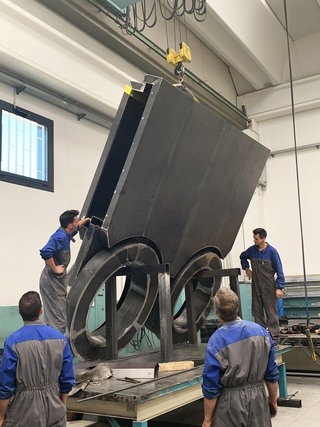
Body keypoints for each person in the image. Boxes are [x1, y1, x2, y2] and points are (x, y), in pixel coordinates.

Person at [202, 288, 279, 427]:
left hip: (230, 405)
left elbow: (211, 385)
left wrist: (207, 419)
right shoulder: (261, 332)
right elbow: (271, 373)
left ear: (216, 312)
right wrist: (273, 400)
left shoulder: (216, 341)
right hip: (258, 399)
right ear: (237, 308)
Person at [0, 291, 75, 427]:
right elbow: (67, 379)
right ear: (41, 311)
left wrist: (1, 416)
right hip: (55, 408)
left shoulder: (13, 341)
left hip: (24, 411)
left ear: (20, 313)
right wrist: (61, 406)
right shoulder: (60, 338)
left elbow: (6, 385)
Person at [39, 209, 90, 334]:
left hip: (54, 281)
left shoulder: (65, 233)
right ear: (70, 225)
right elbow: (45, 252)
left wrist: (87, 220)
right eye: (76, 221)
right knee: (58, 321)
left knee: (53, 318)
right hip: (52, 281)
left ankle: (52, 346)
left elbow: (76, 228)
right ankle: (56, 350)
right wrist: (55, 268)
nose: (78, 223)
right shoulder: (61, 237)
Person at [240, 227, 285, 346]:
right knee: (257, 311)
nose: (254, 240)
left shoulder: (272, 252)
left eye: (256, 238)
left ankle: (275, 340)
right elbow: (242, 256)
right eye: (254, 238)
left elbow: (279, 270)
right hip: (256, 286)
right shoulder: (252, 250)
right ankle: (261, 337)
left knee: (271, 313)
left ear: (263, 239)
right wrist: (247, 269)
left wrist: (279, 287)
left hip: (269, 286)